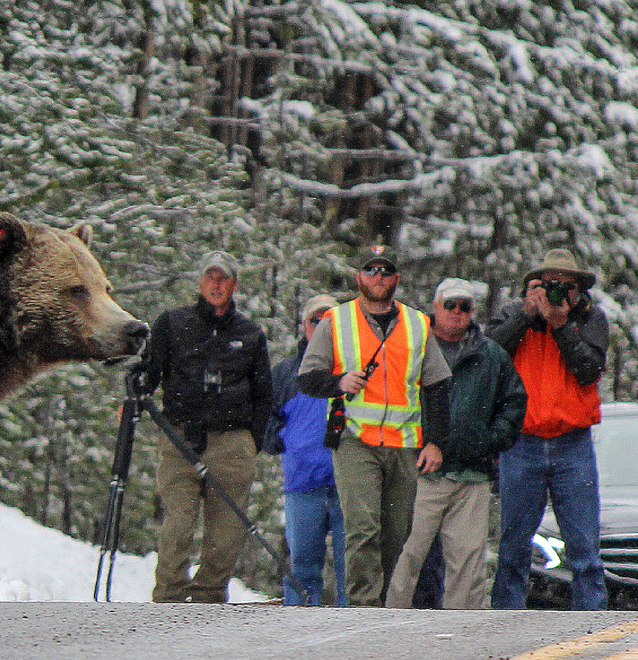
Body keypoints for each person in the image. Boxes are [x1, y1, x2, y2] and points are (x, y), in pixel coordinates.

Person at [298, 244, 451, 607]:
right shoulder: (336, 320)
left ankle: (380, 604)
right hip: (355, 439)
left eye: (385, 271)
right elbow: (307, 377)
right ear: (358, 278)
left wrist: (436, 442)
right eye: (371, 270)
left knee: (395, 534)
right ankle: (361, 606)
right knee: (362, 528)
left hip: (403, 442)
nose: (378, 277)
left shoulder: (417, 323)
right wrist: (338, 382)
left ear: (396, 278)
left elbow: (439, 386)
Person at [139, 250, 273, 603]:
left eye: (223, 278)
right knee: (179, 521)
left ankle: (208, 596)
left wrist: (249, 441)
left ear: (234, 284)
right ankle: (168, 595)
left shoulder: (251, 333)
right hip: (180, 437)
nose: (216, 284)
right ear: (199, 282)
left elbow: (264, 394)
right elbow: (148, 373)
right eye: (210, 277)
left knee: (226, 530)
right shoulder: (172, 323)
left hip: (232, 442)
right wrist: (136, 387)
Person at [385, 278, 527, 609]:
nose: (457, 312)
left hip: (471, 475)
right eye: (450, 305)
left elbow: (514, 402)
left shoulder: (491, 354)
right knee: (405, 556)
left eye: (465, 306)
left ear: (473, 312)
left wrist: (491, 441)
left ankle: (465, 638)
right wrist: (410, 442)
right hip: (420, 472)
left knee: (468, 563)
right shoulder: (411, 346)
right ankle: (386, 623)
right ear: (435, 307)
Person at [487, 249, 610, 610]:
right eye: (550, 284)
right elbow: (490, 356)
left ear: (578, 290)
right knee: (513, 545)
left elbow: (588, 369)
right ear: (533, 286)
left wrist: (560, 326)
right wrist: (527, 315)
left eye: (566, 285)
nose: (558, 292)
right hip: (522, 442)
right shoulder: (515, 315)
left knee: (584, 547)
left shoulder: (590, 320)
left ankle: (592, 623)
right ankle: (506, 620)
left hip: (572, 443)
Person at [266, 294, 348, 606]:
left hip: (347, 483)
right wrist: (283, 438)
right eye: (317, 320)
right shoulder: (286, 373)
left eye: (330, 320)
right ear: (304, 326)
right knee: (302, 568)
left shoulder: (351, 368)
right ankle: (296, 631)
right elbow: (265, 418)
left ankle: (353, 632)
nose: (323, 326)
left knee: (350, 568)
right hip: (302, 483)